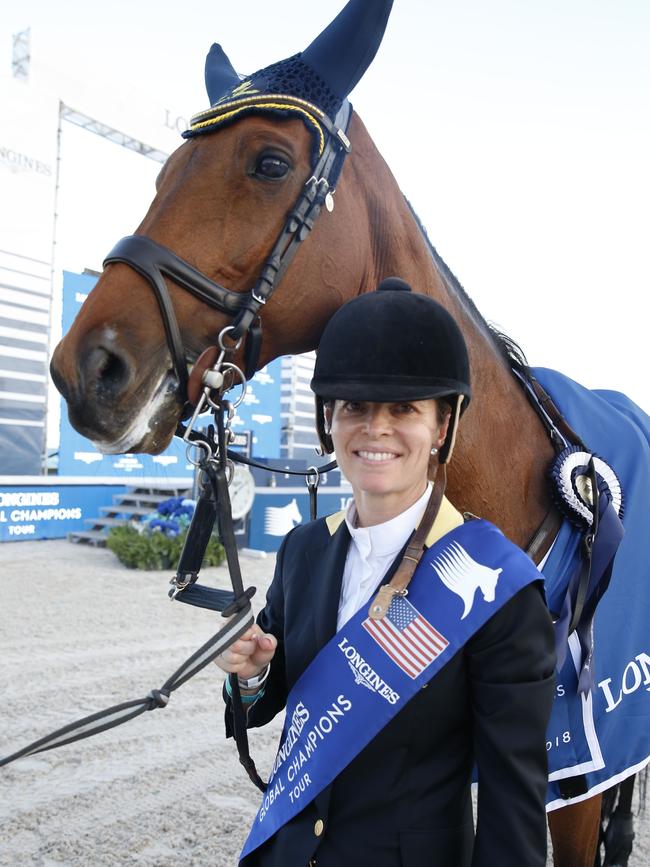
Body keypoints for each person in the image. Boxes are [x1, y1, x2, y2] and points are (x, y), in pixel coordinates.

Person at [216, 278, 556, 867]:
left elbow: (512, 803)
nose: (375, 428)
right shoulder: (303, 552)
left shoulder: (499, 587)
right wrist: (249, 675)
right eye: (355, 406)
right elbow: (271, 700)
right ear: (330, 421)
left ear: (441, 427)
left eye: (403, 409)